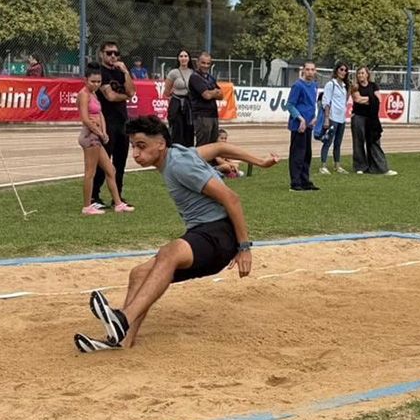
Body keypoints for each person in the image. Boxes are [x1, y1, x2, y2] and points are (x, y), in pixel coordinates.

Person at [74, 115, 279, 351]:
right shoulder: (180, 154)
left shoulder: (180, 165)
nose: (136, 154)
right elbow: (220, 147)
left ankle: (123, 319)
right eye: (133, 147)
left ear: (161, 144)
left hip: (219, 234)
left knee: (169, 253)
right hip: (206, 235)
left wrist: (244, 248)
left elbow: (232, 199)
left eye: (141, 146)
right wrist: (260, 162)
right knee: (139, 274)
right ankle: (123, 339)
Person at [76, 64, 133, 216]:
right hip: (90, 137)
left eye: (98, 81)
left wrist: (104, 132)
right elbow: (85, 119)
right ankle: (87, 206)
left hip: (97, 136)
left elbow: (99, 114)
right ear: (85, 80)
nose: (96, 84)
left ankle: (118, 203)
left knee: (110, 169)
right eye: (93, 81)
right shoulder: (84, 94)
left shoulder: (93, 94)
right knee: (90, 172)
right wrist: (100, 133)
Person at [90, 41, 135, 209]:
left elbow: (132, 91)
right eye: (109, 53)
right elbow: (110, 96)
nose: (113, 56)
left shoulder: (120, 71)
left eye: (116, 53)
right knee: (103, 161)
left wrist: (126, 72)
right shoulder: (100, 73)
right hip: (106, 121)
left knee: (120, 161)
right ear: (101, 54)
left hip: (122, 120)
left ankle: (117, 197)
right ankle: (94, 196)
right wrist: (126, 96)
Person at [350, 66, 397, 175]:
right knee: (358, 142)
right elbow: (357, 99)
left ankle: (379, 167)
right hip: (358, 116)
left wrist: (367, 99)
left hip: (372, 118)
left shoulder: (373, 85)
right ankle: (360, 166)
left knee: (374, 141)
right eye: (359, 73)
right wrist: (371, 98)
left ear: (367, 74)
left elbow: (378, 99)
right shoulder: (355, 86)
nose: (360, 75)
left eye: (362, 73)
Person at [288, 60, 319, 191]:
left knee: (307, 154)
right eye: (308, 69)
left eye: (312, 70)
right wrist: (300, 119)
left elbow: (312, 104)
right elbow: (290, 105)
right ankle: (295, 182)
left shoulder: (314, 85)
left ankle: (305, 180)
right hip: (299, 125)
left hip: (309, 124)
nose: (310, 72)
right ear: (303, 70)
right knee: (298, 154)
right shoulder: (298, 86)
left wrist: (314, 118)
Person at [318, 62, 350, 175]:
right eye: (341, 69)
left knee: (338, 143)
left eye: (345, 70)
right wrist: (327, 118)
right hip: (332, 117)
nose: (343, 72)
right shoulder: (331, 84)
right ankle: (323, 166)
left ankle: (337, 165)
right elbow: (326, 102)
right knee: (328, 141)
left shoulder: (344, 86)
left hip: (341, 118)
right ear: (336, 70)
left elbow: (344, 101)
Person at [163, 49, 196, 147]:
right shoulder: (173, 73)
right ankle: (176, 151)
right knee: (177, 130)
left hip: (189, 104)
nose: (183, 58)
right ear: (178, 58)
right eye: (181, 56)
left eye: (185, 56)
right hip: (176, 104)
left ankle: (188, 152)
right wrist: (173, 93)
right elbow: (166, 92)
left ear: (189, 58)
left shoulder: (193, 72)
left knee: (189, 129)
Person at [188, 52, 222, 146]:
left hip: (213, 115)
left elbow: (221, 95)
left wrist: (211, 93)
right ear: (197, 62)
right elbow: (206, 96)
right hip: (202, 116)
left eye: (208, 63)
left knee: (213, 145)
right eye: (203, 63)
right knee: (203, 145)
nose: (206, 66)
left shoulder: (211, 78)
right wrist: (214, 92)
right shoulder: (195, 77)